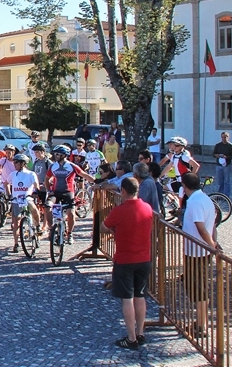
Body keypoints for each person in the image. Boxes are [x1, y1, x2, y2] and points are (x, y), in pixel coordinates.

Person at [100, 177, 154, 350]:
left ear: (123, 191)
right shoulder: (147, 207)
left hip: (125, 259)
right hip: (144, 258)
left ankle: (131, 338)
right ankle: (141, 333)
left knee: (127, 299)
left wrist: (114, 229)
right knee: (140, 296)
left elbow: (103, 226)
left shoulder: (119, 210)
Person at [180, 172, 220, 337]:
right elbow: (213, 226)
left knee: (198, 288)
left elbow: (202, 228)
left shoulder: (195, 202)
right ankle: (200, 322)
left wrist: (213, 247)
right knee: (196, 287)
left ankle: (201, 325)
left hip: (197, 252)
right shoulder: (204, 199)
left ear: (185, 186)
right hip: (197, 250)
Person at [46, 145, 95, 244]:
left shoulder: (71, 166)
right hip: (55, 193)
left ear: (64, 155)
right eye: (55, 153)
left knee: (71, 213)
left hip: (68, 192)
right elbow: (46, 179)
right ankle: (51, 229)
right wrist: (48, 190)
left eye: (58, 154)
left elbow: (84, 175)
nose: (55, 155)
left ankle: (70, 233)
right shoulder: (53, 166)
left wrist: (97, 181)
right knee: (47, 207)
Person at [8, 153, 41, 253]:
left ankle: (38, 225)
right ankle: (16, 243)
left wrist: (36, 191)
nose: (14, 164)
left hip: (27, 198)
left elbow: (36, 184)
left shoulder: (31, 174)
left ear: (23, 163)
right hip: (16, 200)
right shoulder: (13, 174)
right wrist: (9, 194)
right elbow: (6, 183)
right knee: (15, 222)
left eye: (16, 162)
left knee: (34, 209)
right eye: (14, 162)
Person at [211, 132, 232, 197]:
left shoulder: (231, 146)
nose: (223, 139)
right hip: (218, 165)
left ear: (228, 137)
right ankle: (220, 194)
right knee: (220, 181)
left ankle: (226, 196)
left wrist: (226, 157)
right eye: (222, 137)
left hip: (227, 165)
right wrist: (218, 155)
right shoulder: (218, 145)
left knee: (227, 181)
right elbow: (213, 154)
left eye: (225, 137)